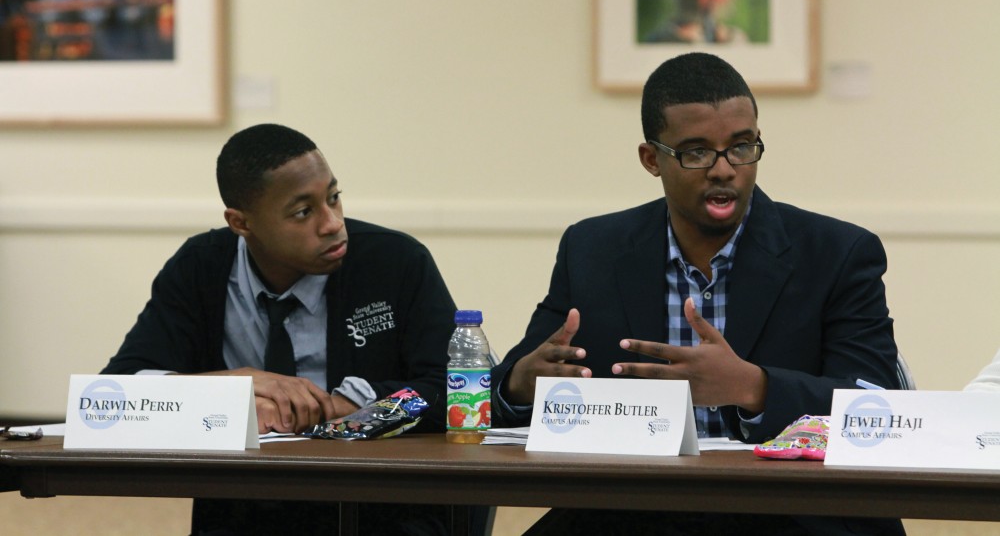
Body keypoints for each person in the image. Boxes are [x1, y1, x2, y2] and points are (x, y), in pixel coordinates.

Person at [492, 53, 903, 535]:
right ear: (651, 159)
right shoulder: (593, 249)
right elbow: (510, 386)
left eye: (742, 146)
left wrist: (753, 387)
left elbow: (879, 407)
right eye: (696, 152)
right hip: (632, 506)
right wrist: (521, 383)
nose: (724, 169)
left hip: (788, 508)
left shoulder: (838, 252)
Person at [103, 123, 456, 535]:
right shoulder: (201, 268)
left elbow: (456, 389)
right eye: (303, 212)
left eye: (334, 198)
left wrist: (352, 407)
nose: (332, 223)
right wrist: (230, 389)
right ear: (241, 223)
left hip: (380, 507)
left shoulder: (395, 262)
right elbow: (117, 393)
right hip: (244, 506)